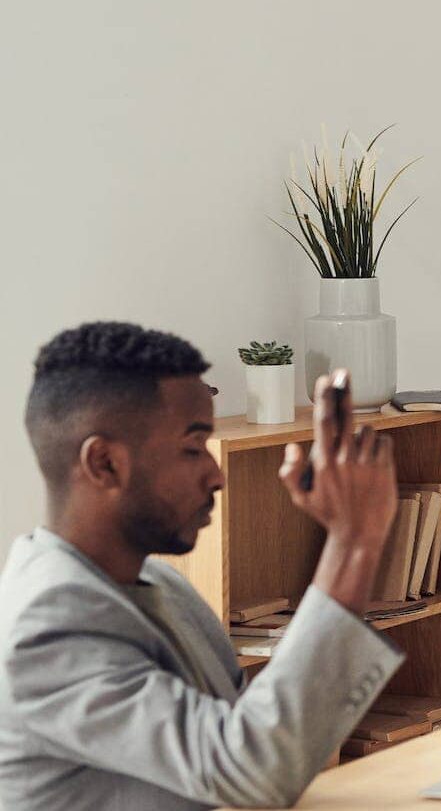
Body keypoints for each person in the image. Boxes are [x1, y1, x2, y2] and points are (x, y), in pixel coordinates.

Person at [0, 322, 405, 810]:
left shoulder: (162, 585)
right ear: (104, 464)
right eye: (193, 448)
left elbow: (248, 747)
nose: (216, 475)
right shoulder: (47, 625)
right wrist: (355, 541)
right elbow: (250, 772)